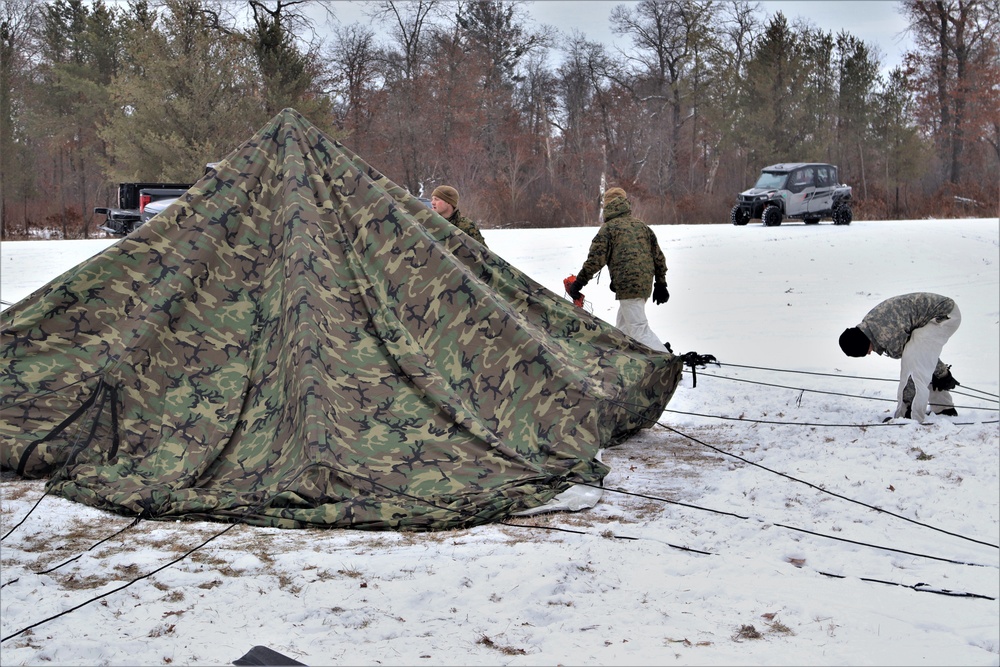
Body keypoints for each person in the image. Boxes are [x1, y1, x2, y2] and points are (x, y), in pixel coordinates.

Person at [567, 187, 670, 352]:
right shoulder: (641, 226)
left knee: (638, 330)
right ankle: (625, 359)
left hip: (628, 287)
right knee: (623, 329)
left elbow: (595, 261)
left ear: (607, 206)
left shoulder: (609, 229)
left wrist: (578, 284)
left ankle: (667, 363)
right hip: (643, 286)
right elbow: (658, 257)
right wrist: (661, 284)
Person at [839, 292, 961, 422]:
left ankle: (909, 414)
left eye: (865, 351)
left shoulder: (885, 333)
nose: (869, 353)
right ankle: (944, 409)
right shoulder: (871, 325)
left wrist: (942, 374)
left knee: (915, 367)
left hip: (945, 316)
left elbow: (915, 360)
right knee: (922, 362)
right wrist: (940, 373)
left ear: (863, 344)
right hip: (938, 313)